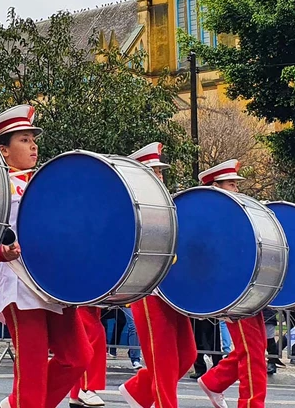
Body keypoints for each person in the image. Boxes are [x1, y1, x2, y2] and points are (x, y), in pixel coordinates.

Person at [0, 105, 88, 408]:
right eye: (24, 140)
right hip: (21, 287)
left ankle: (19, 404)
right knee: (30, 373)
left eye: (33, 139)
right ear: (3, 151)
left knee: (78, 358)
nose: (33, 145)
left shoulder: (44, 183)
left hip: (54, 285)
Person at [116, 143, 194, 408]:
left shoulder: (170, 206)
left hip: (173, 291)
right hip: (149, 290)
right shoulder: (133, 208)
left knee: (187, 355)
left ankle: (138, 390)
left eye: (161, 172)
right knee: (164, 362)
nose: (160, 177)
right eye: (154, 172)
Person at [196, 160, 268, 408]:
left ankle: (215, 381)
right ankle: (250, 404)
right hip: (231, 293)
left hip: (247, 289)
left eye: (237, 185)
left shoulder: (235, 217)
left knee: (257, 347)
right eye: (231, 185)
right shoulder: (210, 219)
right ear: (215, 187)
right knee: (252, 352)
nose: (237, 190)